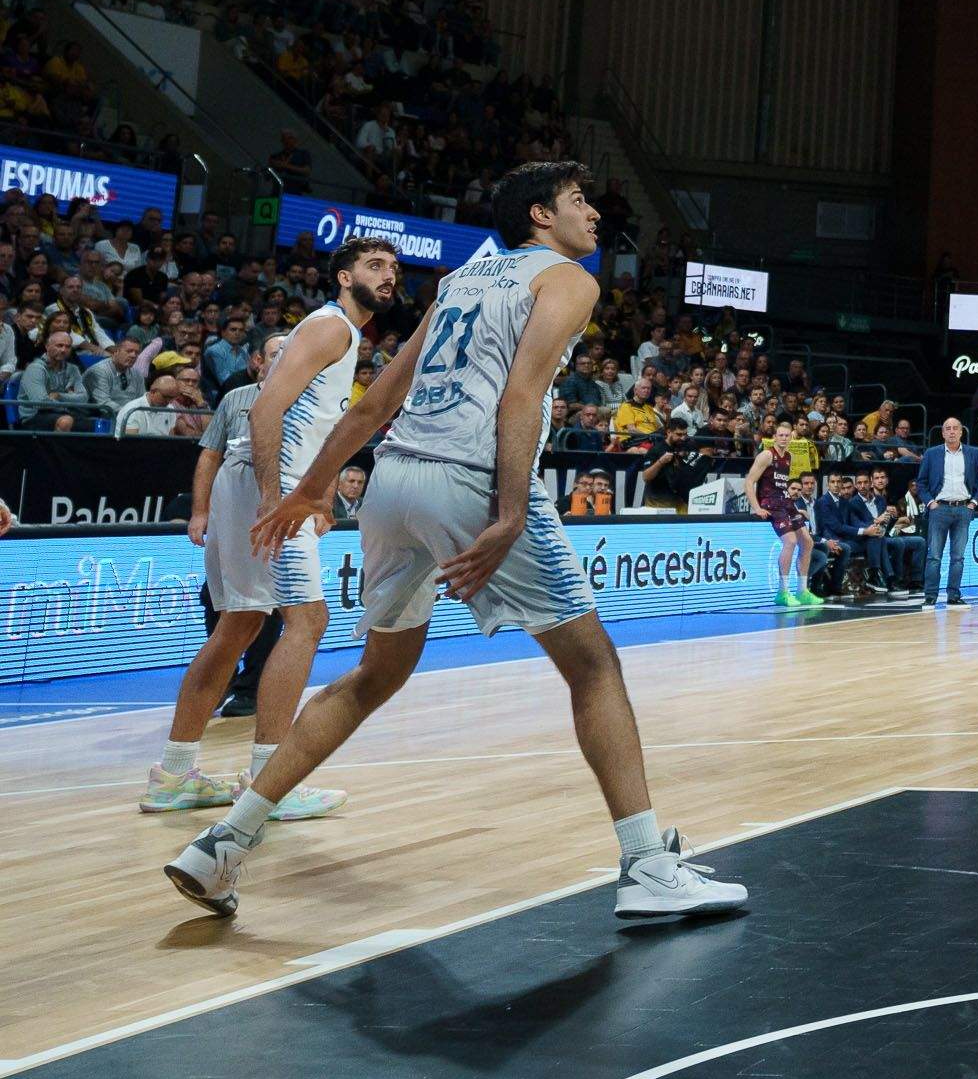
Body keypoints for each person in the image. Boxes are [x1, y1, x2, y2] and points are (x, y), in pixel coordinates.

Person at [163, 161, 743, 924]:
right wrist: (508, 512)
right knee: (593, 663)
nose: (595, 216)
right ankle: (646, 866)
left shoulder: (460, 284)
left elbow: (376, 402)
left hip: (393, 482)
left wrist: (314, 487)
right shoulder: (568, 279)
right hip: (468, 479)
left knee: (376, 674)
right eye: (580, 202)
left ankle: (223, 843)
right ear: (540, 216)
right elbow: (522, 395)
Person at [141, 325, 347, 822]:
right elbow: (248, 438)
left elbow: (329, 447)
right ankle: (267, 783)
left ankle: (174, 774)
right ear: (260, 362)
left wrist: (321, 497)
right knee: (306, 621)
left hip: (253, 486)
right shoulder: (268, 390)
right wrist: (275, 500)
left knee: (240, 624)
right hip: (262, 485)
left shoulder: (319, 382)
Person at [744, 416, 819, 609]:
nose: (784, 438)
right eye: (781, 435)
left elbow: (782, 485)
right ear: (775, 436)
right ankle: (782, 592)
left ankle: (802, 591)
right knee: (791, 541)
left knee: (808, 542)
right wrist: (757, 507)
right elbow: (749, 482)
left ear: (791, 437)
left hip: (785, 502)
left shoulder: (790, 456)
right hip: (770, 504)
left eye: (787, 435)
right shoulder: (766, 456)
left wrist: (796, 506)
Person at [913, 416, 978, 608]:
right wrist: (930, 502)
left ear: (962, 432)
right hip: (939, 509)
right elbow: (921, 483)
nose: (952, 431)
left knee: (958, 557)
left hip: (963, 509)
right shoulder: (932, 454)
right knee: (934, 556)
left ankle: (953, 596)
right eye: (948, 428)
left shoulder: (973, 453)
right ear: (943, 433)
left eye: (955, 428)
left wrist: (972, 503)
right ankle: (930, 596)